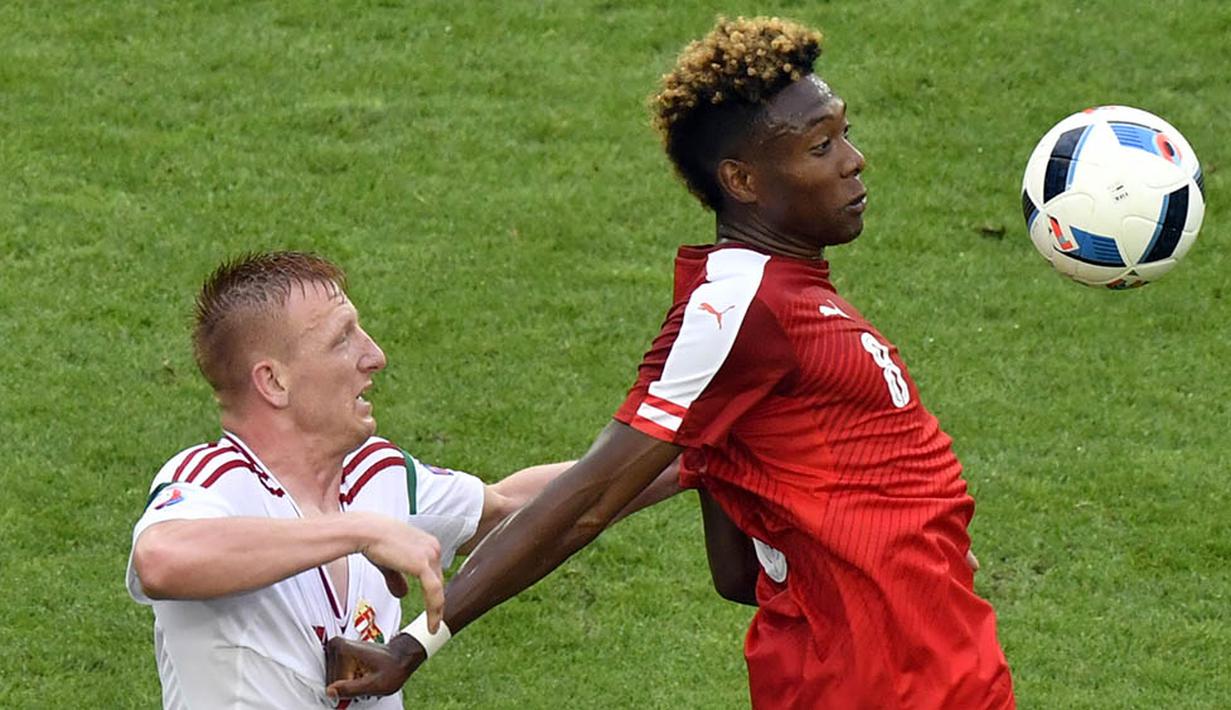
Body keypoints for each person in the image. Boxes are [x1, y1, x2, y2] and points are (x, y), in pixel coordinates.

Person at [326, 16, 1015, 709]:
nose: (852, 159)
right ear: (742, 180)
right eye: (820, 146)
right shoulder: (741, 307)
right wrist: (415, 642)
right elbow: (589, 500)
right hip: (875, 684)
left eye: (843, 131)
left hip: (938, 662)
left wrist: (915, 555)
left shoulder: (792, 300)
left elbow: (737, 575)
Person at [125, 251, 669, 708]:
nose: (375, 356)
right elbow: (162, 560)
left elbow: (512, 506)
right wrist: (360, 532)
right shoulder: (213, 480)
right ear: (273, 381)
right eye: (343, 339)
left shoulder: (376, 474)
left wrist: (688, 456)